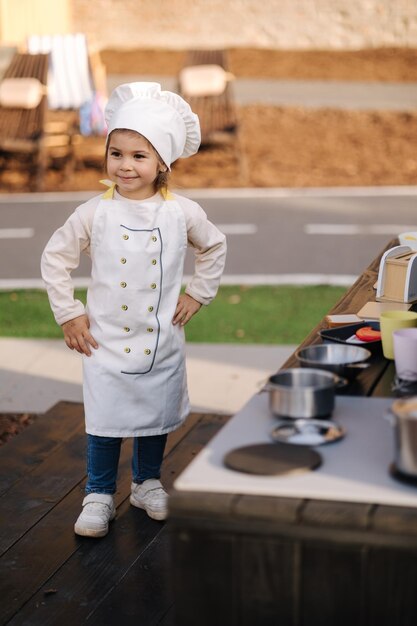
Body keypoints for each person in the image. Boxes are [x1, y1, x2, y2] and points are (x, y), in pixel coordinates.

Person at [41, 82, 226, 538]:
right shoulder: (93, 213)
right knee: (104, 422)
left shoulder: (182, 212)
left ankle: (146, 483)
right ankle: (99, 494)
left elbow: (215, 246)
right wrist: (69, 312)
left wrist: (198, 293)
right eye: (116, 153)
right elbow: (55, 259)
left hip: (159, 339)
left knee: (153, 418)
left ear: (163, 162)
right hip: (104, 341)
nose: (125, 165)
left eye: (138, 156)